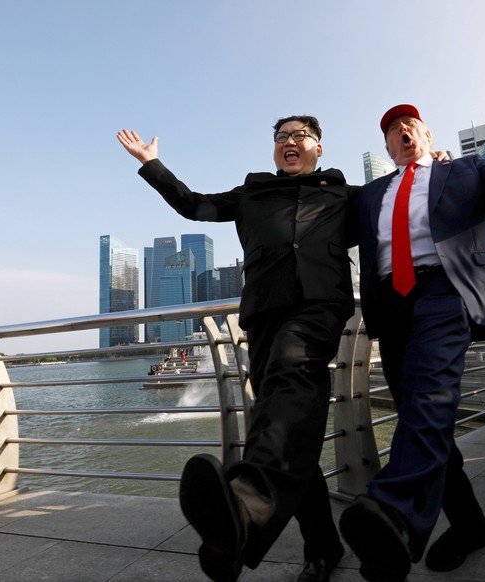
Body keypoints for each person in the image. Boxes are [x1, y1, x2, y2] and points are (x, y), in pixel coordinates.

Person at [339, 75, 485, 581]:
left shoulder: (462, 171)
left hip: (446, 294)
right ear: (385, 145)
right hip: (390, 309)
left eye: (411, 125)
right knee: (426, 418)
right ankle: (469, 527)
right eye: (393, 129)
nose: (403, 132)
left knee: (429, 401)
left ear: (425, 134)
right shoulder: (369, 194)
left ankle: (395, 514)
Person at [118, 116, 356, 582]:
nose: (289, 142)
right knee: (285, 423)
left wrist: (432, 167)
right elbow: (194, 205)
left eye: (299, 136)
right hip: (264, 317)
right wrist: (152, 163)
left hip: (316, 310)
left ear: (319, 148)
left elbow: (397, 202)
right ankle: (324, 548)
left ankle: (246, 507)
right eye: (281, 137)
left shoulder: (345, 196)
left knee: (288, 389)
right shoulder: (252, 194)